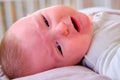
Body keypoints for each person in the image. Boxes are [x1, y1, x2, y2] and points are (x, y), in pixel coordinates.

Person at [0, 5, 93, 79]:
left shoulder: (89, 12)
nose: (62, 27)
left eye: (45, 21)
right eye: (59, 48)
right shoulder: (101, 54)